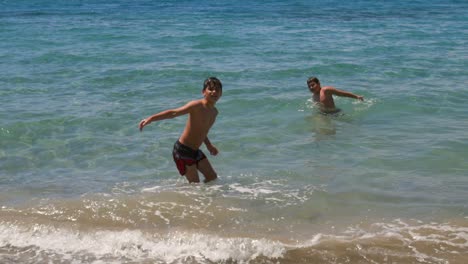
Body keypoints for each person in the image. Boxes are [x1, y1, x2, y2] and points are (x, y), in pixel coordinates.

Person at [139, 77, 222, 183]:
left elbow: (202, 131)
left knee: (212, 177)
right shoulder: (196, 105)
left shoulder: (214, 112)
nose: (214, 92)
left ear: (221, 94)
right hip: (183, 150)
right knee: (195, 185)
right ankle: (193, 197)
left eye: (218, 89)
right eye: (211, 89)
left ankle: (204, 198)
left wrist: (209, 145)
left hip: (195, 151)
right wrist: (151, 119)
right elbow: (173, 113)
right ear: (203, 92)